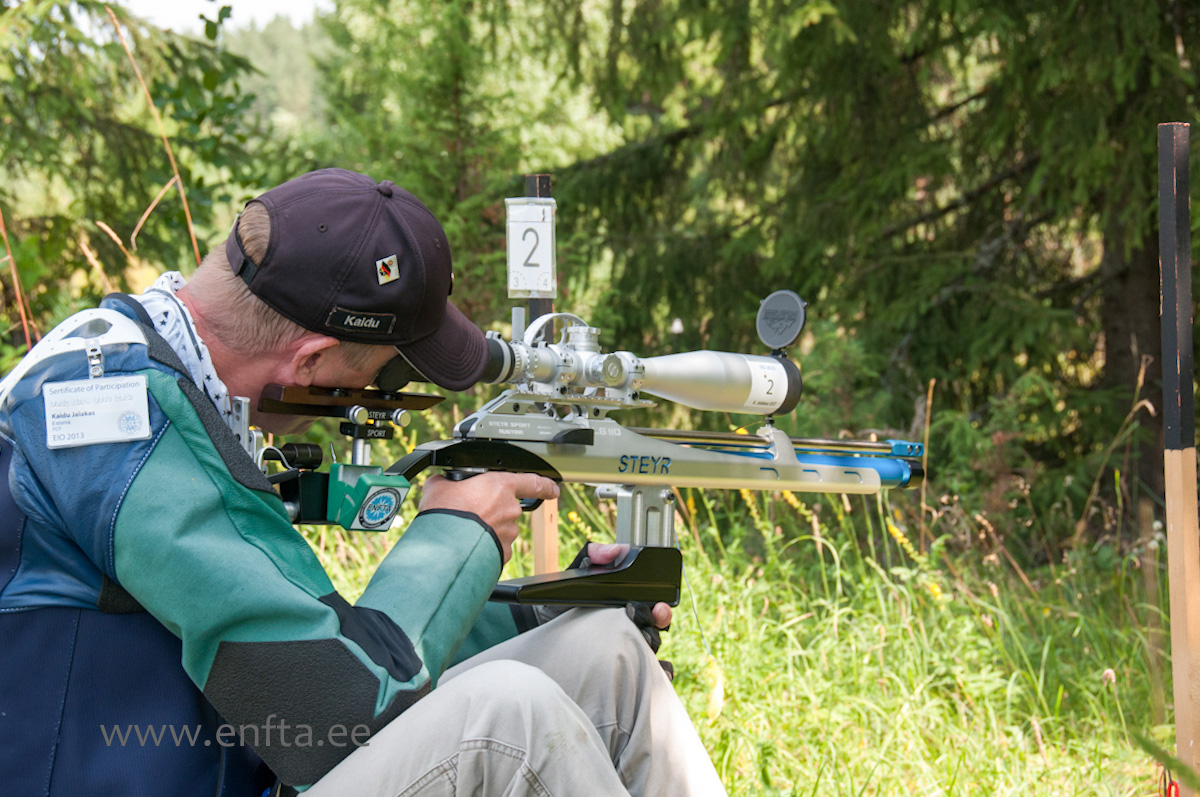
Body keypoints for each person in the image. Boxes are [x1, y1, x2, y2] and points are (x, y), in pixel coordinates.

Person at [0, 168, 726, 796]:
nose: (382, 385)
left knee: (604, 652)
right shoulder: (105, 418)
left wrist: (539, 607)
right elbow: (334, 708)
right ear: (311, 359)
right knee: (512, 712)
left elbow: (312, 639)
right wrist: (459, 533)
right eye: (384, 365)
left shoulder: (167, 383)